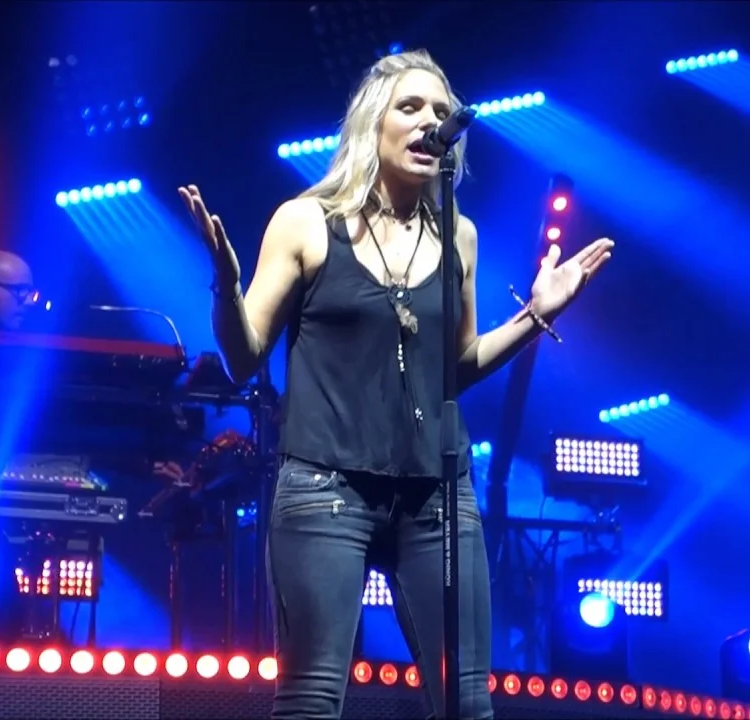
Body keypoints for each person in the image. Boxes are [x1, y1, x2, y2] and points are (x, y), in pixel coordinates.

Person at [178, 49, 612, 720]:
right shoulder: (305, 221)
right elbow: (243, 356)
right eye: (410, 107)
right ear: (372, 124)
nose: (429, 122)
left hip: (436, 496)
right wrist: (225, 286)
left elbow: (456, 367)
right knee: (312, 699)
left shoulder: (459, 237)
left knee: (467, 704)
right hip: (325, 489)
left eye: (441, 111)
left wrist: (535, 316)